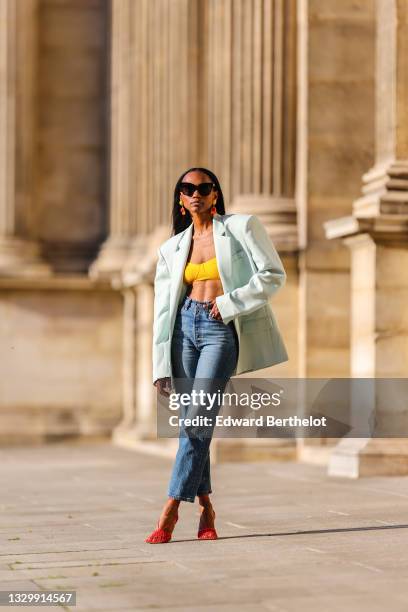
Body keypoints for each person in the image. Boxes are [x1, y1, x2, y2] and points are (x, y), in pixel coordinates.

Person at [145, 167, 288, 543]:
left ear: (215, 194)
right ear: (180, 198)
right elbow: (162, 309)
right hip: (183, 330)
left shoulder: (242, 227)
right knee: (193, 422)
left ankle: (170, 509)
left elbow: (273, 273)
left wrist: (230, 303)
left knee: (197, 418)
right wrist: (160, 364)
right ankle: (206, 508)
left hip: (220, 329)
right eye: (188, 189)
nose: (196, 194)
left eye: (203, 188)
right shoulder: (172, 247)